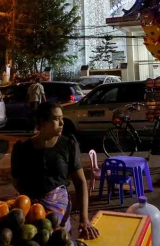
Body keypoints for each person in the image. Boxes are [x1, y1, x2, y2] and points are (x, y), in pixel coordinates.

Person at [11, 102, 99, 240]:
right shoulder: (22, 149)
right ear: (43, 122)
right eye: (56, 119)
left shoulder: (67, 144)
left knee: (61, 240)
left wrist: (85, 219)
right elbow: (17, 182)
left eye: (62, 118)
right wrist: (33, 202)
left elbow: (80, 182)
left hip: (60, 215)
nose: (62, 123)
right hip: (32, 216)